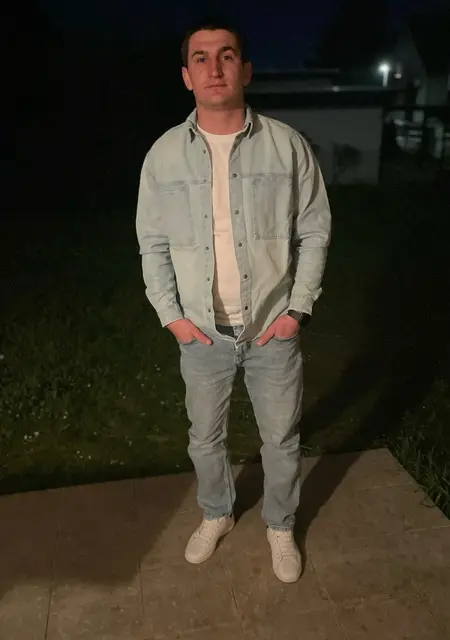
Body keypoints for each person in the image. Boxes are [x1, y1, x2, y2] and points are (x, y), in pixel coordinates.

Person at [136, 19, 331, 584]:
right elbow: (151, 242)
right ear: (186, 75)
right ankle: (216, 513)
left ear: (245, 69)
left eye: (226, 56)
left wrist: (296, 311)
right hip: (202, 332)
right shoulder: (163, 155)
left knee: (281, 439)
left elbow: (314, 230)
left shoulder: (286, 145)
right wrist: (172, 317)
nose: (214, 67)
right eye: (200, 58)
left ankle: (280, 524)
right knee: (205, 438)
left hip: (272, 327)